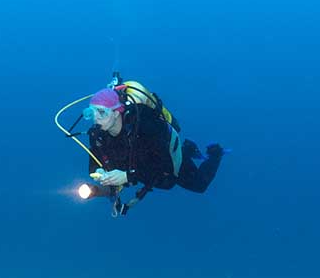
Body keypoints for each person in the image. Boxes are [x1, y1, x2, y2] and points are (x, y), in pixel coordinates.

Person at [82, 83, 225, 215]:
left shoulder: (144, 127)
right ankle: (188, 148)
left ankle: (215, 153)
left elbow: (163, 165)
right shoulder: (97, 136)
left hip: (166, 160)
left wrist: (128, 176)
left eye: (102, 113)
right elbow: (94, 161)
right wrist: (99, 172)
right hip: (138, 169)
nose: (96, 119)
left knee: (199, 185)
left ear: (116, 112)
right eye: (91, 113)